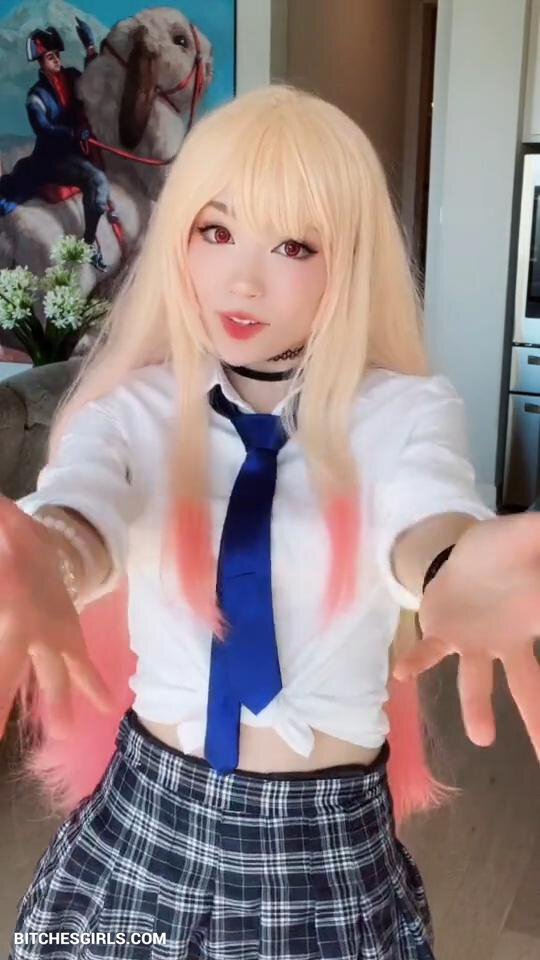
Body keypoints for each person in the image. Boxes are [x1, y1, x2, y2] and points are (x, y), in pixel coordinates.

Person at [1, 85, 539, 960]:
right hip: (141, 830)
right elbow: (84, 508)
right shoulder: (133, 408)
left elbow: (425, 517)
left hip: (325, 859)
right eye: (215, 231)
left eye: (295, 245)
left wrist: (453, 566)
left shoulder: (404, 412)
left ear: (350, 259)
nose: (242, 280)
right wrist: (44, 553)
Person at [0, 23, 112, 271]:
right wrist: (72, 133)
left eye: (57, 55)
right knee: (97, 181)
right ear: (41, 62)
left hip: (79, 151)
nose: (57, 60)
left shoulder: (72, 76)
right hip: (53, 159)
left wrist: (90, 47)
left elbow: (94, 85)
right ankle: (88, 245)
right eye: (51, 57)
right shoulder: (36, 95)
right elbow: (43, 128)